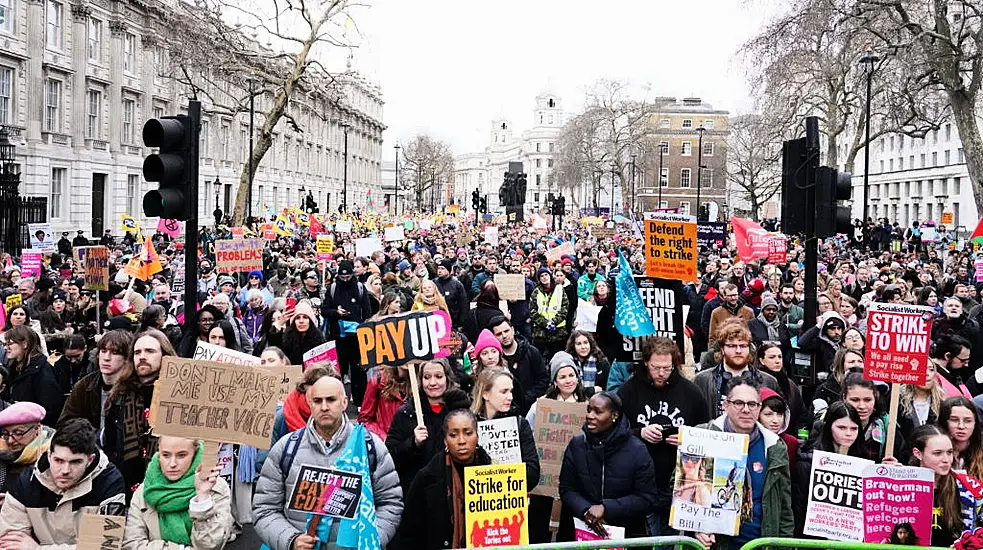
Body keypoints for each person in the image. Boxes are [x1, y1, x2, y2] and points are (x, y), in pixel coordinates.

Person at [253, 374, 403, 550]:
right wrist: (291, 540)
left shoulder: (370, 446)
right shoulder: (286, 448)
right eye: (317, 401)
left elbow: (390, 503)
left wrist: (370, 540)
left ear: (345, 403)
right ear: (310, 404)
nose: (324, 407)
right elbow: (264, 509)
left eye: (331, 400)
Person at [617, 336, 708, 535]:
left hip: (677, 482)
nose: (661, 373)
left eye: (667, 368)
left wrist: (687, 439)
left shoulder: (691, 393)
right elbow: (615, 432)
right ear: (645, 363)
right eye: (655, 367)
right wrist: (640, 432)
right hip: (638, 482)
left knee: (669, 539)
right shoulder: (628, 391)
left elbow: (706, 433)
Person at [693, 378, 794, 549]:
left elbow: (784, 506)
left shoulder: (774, 446)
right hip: (715, 543)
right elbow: (682, 488)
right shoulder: (701, 436)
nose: (746, 410)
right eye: (739, 403)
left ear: (759, 407)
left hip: (761, 542)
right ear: (725, 405)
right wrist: (696, 527)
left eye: (752, 404)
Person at [0, 418, 126, 546]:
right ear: (49, 455)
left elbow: (105, 547)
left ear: (90, 460)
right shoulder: (27, 482)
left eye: (75, 462)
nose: (65, 470)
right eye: (58, 460)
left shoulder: (109, 482)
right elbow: (8, 543)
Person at [558, 392, 657, 540]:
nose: (590, 416)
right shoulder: (576, 445)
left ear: (614, 415)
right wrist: (586, 511)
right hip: (580, 532)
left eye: (598, 412)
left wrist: (606, 508)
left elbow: (646, 498)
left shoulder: (637, 450)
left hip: (625, 534)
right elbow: (566, 489)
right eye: (589, 410)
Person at [398, 409, 493, 550]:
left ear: (477, 437)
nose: (461, 441)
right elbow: (408, 532)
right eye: (453, 435)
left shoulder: (494, 474)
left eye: (468, 433)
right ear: (445, 441)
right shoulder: (427, 478)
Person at [123, 437, 232, 550]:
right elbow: (132, 544)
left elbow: (211, 546)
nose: (172, 463)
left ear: (194, 454)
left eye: (181, 455)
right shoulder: (145, 491)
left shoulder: (215, 487)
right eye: (166, 455)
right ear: (158, 452)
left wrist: (202, 497)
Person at [386, 359, 471, 498]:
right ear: (420, 381)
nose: (432, 383)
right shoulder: (407, 413)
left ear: (447, 378)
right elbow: (390, 457)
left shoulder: (461, 411)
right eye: (427, 377)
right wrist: (413, 443)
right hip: (418, 496)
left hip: (456, 493)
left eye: (438, 377)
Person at [792, 402, 867, 535]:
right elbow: (799, 508)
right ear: (829, 427)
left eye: (854, 428)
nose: (848, 433)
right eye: (841, 427)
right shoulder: (808, 461)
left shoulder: (865, 464)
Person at [908, 424, 983, 547]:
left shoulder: (969, 487)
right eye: (937, 453)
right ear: (918, 453)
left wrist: (971, 542)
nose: (946, 459)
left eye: (949, 452)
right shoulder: (900, 486)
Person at [694, 319, 779, 419]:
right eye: (732, 346)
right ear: (722, 349)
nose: (738, 351)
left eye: (743, 346)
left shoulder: (769, 382)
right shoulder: (702, 380)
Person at [470, 368, 540, 490]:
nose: (510, 397)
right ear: (485, 394)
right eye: (504, 392)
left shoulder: (520, 424)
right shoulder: (469, 425)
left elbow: (532, 474)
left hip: (511, 502)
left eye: (511, 391)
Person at [321, 260, 373, 406]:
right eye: (342, 277)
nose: (345, 279)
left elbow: (367, 311)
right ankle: (336, 399)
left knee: (358, 371)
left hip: (356, 337)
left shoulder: (359, 287)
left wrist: (361, 324)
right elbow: (325, 311)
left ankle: (359, 402)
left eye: (347, 277)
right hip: (338, 336)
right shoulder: (333, 288)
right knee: (338, 370)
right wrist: (336, 312)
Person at [1, 326, 63, 427]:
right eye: (5, 344)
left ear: (24, 344)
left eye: (9, 344)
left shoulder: (42, 371)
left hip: (32, 432)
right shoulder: (14, 369)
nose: (5, 347)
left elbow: (51, 409)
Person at [490, 317, 548, 415]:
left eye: (506, 331)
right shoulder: (494, 358)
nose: (504, 336)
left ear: (512, 330)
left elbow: (543, 379)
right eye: (499, 334)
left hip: (532, 408)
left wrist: (528, 398)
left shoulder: (531, 352)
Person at [0, 402, 54, 498]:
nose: (11, 440)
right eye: (6, 433)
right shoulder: (2, 453)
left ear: (36, 429)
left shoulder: (54, 456)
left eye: (18, 433)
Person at [755, 343, 809, 432]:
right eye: (772, 357)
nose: (777, 361)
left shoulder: (790, 384)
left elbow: (801, 414)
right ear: (761, 360)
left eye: (780, 357)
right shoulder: (756, 382)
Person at [357, 363, 409, 441]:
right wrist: (383, 437)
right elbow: (364, 420)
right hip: (387, 446)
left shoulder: (424, 382)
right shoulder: (378, 382)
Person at [264, 301, 325, 367]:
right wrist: (279, 323)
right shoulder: (287, 337)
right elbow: (275, 350)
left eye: (305, 317)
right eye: (297, 318)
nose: (301, 321)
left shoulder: (319, 339)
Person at [938, 396, 983, 481]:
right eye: (954, 420)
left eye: (968, 421)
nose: (961, 426)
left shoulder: (980, 450)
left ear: (975, 423)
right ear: (944, 422)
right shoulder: (932, 450)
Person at [530, 268, 569, 359]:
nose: (544, 278)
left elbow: (565, 308)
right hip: (540, 333)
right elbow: (533, 311)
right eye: (541, 276)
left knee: (557, 358)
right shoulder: (536, 292)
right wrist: (545, 323)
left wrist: (554, 322)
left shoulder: (560, 289)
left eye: (546, 275)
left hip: (558, 332)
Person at [898, 362, 946, 436]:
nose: (927, 373)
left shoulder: (942, 402)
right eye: (922, 369)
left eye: (931, 369)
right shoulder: (899, 401)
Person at [566, 329, 610, 396]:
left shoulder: (602, 363)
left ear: (590, 344)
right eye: (579, 344)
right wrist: (592, 390)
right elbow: (567, 390)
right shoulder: (568, 363)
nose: (583, 347)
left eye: (586, 342)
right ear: (573, 346)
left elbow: (606, 389)